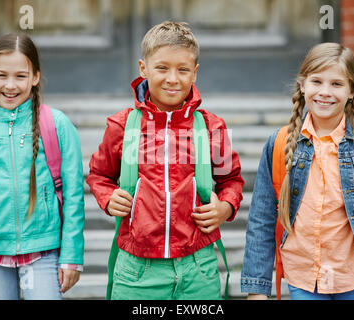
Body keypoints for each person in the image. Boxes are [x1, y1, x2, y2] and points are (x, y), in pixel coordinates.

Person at [87, 21, 244, 300]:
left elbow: (230, 179)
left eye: (183, 70)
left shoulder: (213, 128)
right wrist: (108, 197)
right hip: (137, 270)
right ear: (143, 68)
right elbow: (99, 175)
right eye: (162, 68)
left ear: (194, 73)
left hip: (198, 268)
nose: (172, 78)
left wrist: (226, 206)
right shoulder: (122, 126)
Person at [241, 42, 354, 300]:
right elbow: (261, 221)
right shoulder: (280, 144)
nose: (325, 92)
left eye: (337, 84)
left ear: (352, 91)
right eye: (317, 82)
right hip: (303, 280)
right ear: (302, 85)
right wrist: (256, 289)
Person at [0, 34, 85, 300]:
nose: (10, 85)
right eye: (1, 75)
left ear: (35, 77)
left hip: (43, 249)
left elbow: (74, 196)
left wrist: (71, 255)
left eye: (20, 76)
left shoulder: (56, 125)